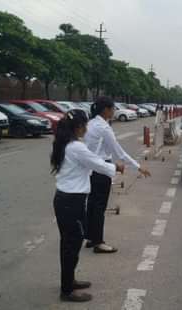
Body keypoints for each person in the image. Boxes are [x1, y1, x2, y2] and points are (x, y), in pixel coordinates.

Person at [51, 110, 125, 302]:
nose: (87, 128)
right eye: (85, 125)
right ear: (77, 127)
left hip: (67, 200)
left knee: (70, 244)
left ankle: (70, 280)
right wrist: (115, 167)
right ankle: (67, 290)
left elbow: (90, 164)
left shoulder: (67, 144)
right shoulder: (76, 147)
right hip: (70, 202)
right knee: (71, 246)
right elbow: (97, 164)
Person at [84, 97, 151, 254]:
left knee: (92, 205)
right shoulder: (104, 128)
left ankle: (91, 238)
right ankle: (99, 243)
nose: (114, 111)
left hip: (90, 169)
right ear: (105, 110)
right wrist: (138, 167)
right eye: (113, 108)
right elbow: (119, 152)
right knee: (99, 207)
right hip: (102, 170)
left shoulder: (91, 123)